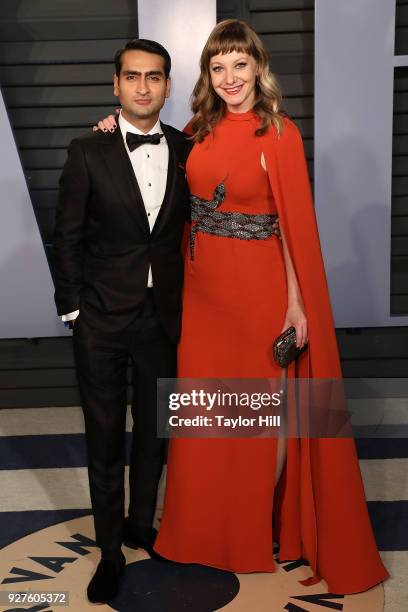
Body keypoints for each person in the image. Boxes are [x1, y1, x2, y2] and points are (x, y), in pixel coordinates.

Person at [98, 20, 389, 595]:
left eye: (240, 64)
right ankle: (208, 531)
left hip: (258, 292)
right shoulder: (196, 129)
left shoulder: (279, 133)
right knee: (208, 418)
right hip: (202, 296)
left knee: (261, 417)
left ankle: (257, 531)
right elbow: (154, 168)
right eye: (218, 67)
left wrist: (297, 306)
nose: (230, 78)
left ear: (258, 66)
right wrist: (113, 127)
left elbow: (291, 231)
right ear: (207, 75)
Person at [53, 39, 192, 603]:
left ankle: (141, 525)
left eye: (154, 77)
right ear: (116, 85)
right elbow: (67, 237)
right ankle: (110, 552)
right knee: (106, 436)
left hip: (163, 320)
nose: (142, 86)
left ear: (166, 84)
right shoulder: (87, 151)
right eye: (132, 77)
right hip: (102, 321)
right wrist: (76, 311)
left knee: (156, 435)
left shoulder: (189, 148)